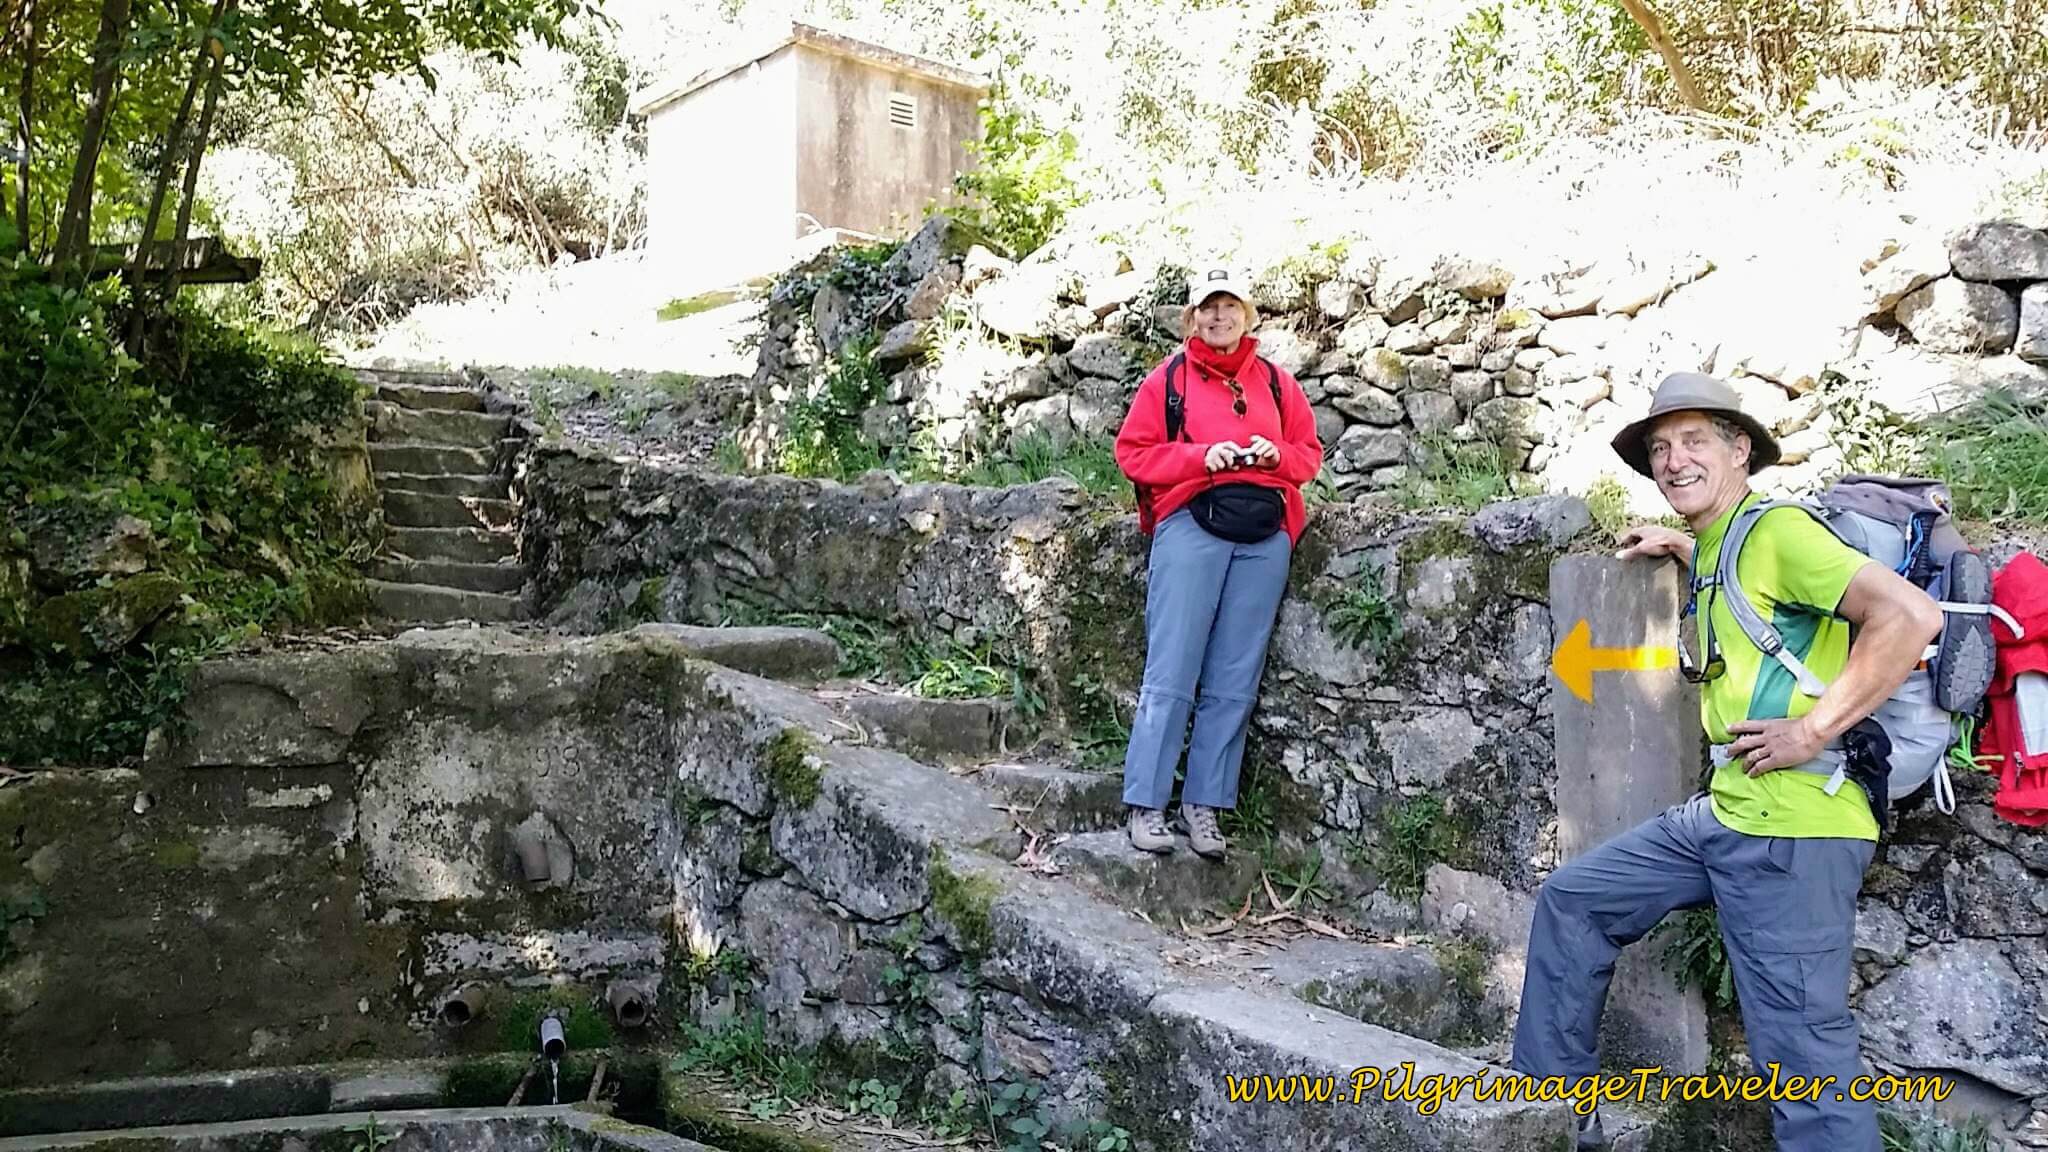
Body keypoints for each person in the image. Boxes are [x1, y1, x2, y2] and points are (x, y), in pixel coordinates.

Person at [1508, 371, 1944, 1151]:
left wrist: (1812, 731)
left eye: (1695, 441)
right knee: (1574, 903)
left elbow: (1910, 617)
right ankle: (1549, 1124)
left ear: (1741, 449)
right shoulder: (1723, 541)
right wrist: (1687, 545)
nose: (1673, 460)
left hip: (1795, 832)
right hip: (1728, 814)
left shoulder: (1777, 533)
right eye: (1661, 448)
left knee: (1806, 1065)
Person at [1111, 267, 1325, 859]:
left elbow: (1307, 455)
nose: (1220, 317)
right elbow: (1133, 453)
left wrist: (1270, 453)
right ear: (1191, 319)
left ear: (1248, 315)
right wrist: (1205, 457)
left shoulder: (1278, 384)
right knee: (1172, 666)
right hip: (1191, 523)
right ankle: (1147, 805)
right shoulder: (1169, 380)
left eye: (1230, 306)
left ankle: (1204, 807)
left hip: (1264, 535)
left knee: (1235, 676)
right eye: (1208, 308)